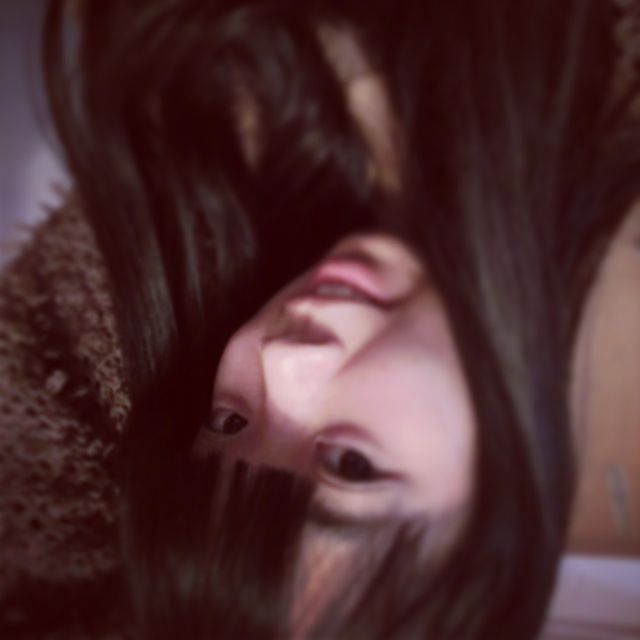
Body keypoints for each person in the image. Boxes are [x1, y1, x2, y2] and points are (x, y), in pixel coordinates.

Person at [0, 0, 631, 637]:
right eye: (350, 463)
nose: (281, 359)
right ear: (513, 519)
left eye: (229, 420)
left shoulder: (219, 170)